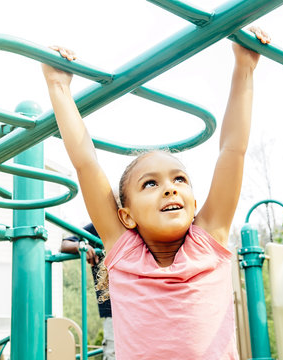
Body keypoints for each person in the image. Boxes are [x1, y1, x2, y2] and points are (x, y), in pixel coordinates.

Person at [42, 26, 270, 360]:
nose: (169, 188)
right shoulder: (124, 253)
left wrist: (244, 68)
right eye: (151, 183)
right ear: (126, 215)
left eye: (179, 180)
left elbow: (233, 150)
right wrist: (58, 86)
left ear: (193, 204)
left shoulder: (208, 242)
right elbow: (86, 163)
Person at [60, 223, 115, 360]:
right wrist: (81, 246)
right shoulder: (100, 224)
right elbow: (65, 244)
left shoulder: (138, 220)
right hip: (112, 309)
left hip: (139, 303)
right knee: (113, 353)